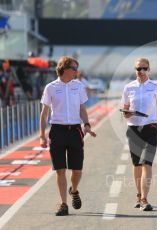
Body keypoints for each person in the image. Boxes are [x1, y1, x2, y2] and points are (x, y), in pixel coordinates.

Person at [39, 56, 96, 216]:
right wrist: (42, 136)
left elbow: (82, 109)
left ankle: (74, 190)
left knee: (77, 170)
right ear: (64, 69)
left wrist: (87, 125)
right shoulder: (50, 87)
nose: (76, 71)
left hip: (75, 131)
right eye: (74, 68)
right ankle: (63, 204)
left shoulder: (78, 86)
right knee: (60, 170)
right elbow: (44, 114)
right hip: (57, 131)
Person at [121, 57, 157, 211]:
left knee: (146, 163)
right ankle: (138, 194)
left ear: (149, 69)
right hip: (134, 130)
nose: (141, 71)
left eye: (144, 68)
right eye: (138, 69)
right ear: (135, 70)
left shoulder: (156, 87)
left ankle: (144, 199)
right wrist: (127, 114)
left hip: (150, 128)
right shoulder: (128, 87)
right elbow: (125, 110)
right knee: (137, 165)